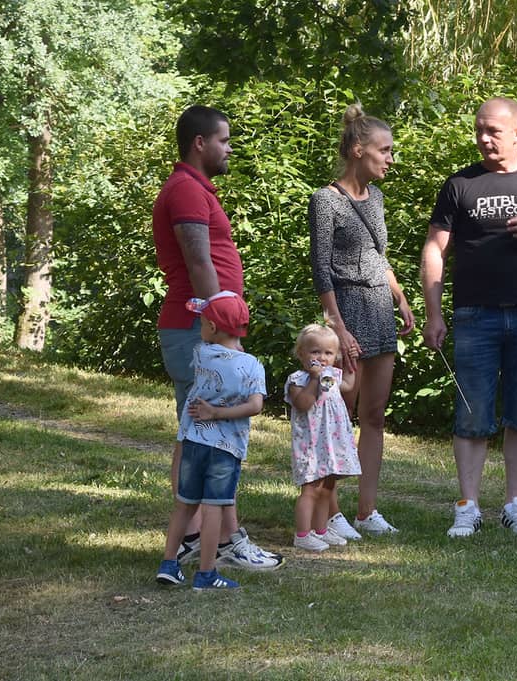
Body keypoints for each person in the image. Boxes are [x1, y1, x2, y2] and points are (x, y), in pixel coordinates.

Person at [421, 97, 517, 539]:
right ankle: (467, 507)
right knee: (471, 414)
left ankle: (515, 505)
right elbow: (435, 249)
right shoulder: (460, 184)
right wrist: (434, 312)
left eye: (493, 131)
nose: (484, 139)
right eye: (479, 130)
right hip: (474, 314)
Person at [152, 105, 282, 570]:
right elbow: (199, 262)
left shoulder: (194, 188)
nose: (229, 149)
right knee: (214, 437)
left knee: (196, 434)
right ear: (199, 143)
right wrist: (224, 332)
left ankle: (193, 537)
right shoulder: (187, 189)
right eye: (224, 141)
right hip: (197, 328)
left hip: (198, 327)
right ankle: (225, 541)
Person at [308, 104, 414, 538]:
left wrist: (401, 299)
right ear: (358, 150)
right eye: (384, 150)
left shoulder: (378, 199)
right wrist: (338, 328)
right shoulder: (325, 200)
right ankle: (329, 511)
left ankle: (366, 511)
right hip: (346, 311)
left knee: (374, 415)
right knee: (338, 414)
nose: (391, 159)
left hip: (380, 310)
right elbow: (321, 269)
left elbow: (378, 257)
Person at [156, 292, 266, 590]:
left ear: (213, 328)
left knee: (184, 505)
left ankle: (169, 564)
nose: (201, 328)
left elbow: (215, 346)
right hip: (225, 450)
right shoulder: (252, 365)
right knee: (213, 508)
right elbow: (256, 406)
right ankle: (206, 574)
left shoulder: (200, 354)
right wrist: (219, 413)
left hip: (193, 443)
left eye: (203, 322)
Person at [285, 324, 362, 551]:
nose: (322, 357)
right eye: (315, 352)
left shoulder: (331, 376)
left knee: (327, 487)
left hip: (331, 442)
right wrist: (314, 378)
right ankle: (303, 534)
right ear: (301, 354)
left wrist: (351, 361)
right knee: (311, 489)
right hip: (311, 443)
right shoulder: (298, 380)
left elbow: (348, 385)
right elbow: (303, 403)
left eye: (328, 353)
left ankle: (321, 530)